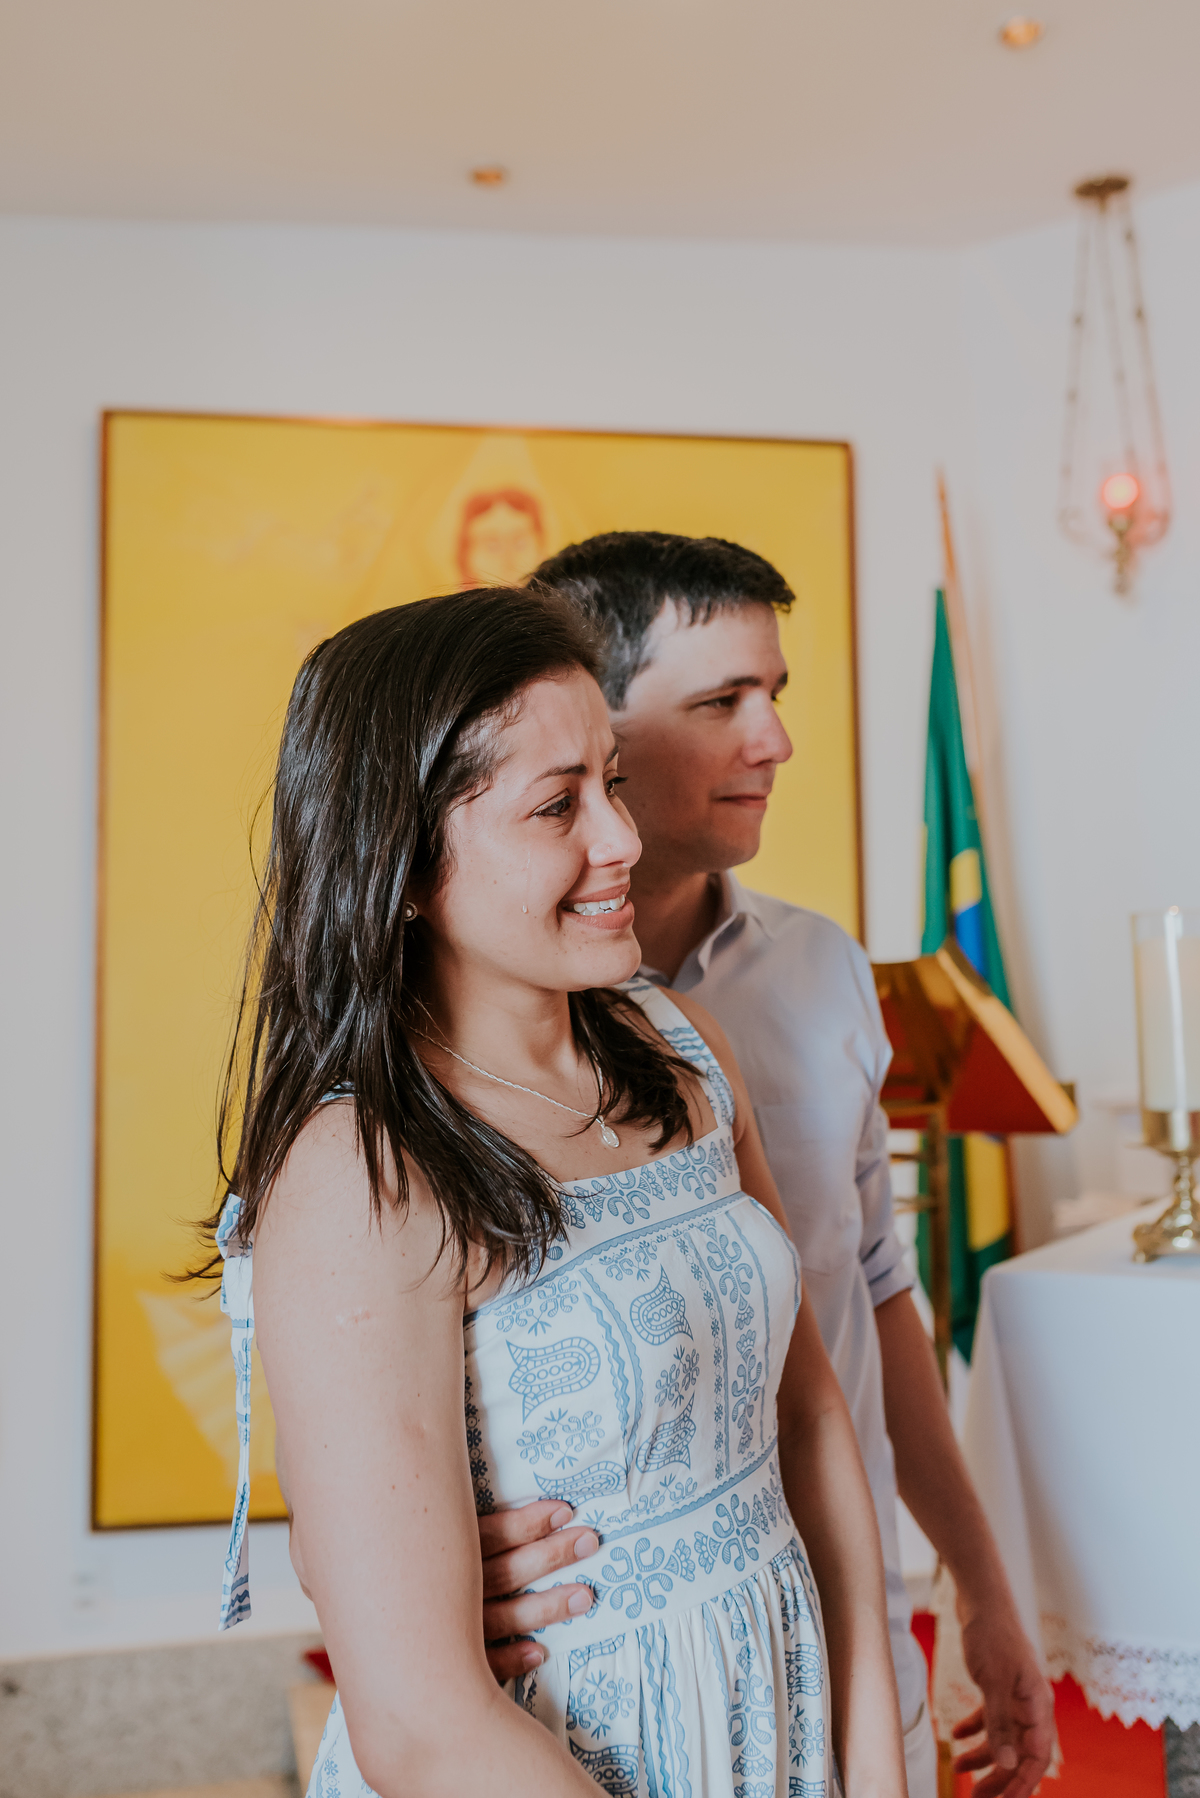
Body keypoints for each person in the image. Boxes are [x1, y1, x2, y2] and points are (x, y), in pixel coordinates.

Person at [205, 587, 906, 1797]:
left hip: (776, 1721)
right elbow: (422, 1722)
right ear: (406, 859)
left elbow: (809, 1419)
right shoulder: (363, 1172)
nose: (623, 840)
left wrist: (873, 1766)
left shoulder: (683, 1047)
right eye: (555, 806)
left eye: (613, 782)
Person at [474, 535, 1054, 1798]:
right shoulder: (479, 1034)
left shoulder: (825, 973)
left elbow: (871, 1295)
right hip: (614, 1694)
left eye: (775, 693)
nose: (775, 738)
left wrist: (981, 1586)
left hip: (849, 1653)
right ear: (599, 729)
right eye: (722, 701)